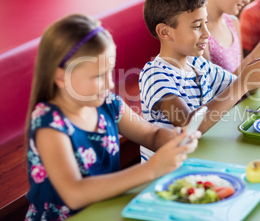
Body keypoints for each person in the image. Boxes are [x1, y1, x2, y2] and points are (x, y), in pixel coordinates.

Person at [24, 14, 200, 221]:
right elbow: (74, 194)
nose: (109, 83)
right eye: (98, 76)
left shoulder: (108, 103)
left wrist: (174, 140)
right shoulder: (49, 123)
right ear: (62, 77)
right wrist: (151, 170)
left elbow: (151, 135)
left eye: (109, 72)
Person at [139, 0, 260, 161]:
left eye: (205, 23)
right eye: (197, 26)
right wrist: (242, 83)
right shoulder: (155, 75)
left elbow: (241, 91)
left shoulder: (200, 65)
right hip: (169, 173)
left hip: (202, 159)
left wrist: (256, 75)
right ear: (165, 32)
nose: (207, 34)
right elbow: (189, 125)